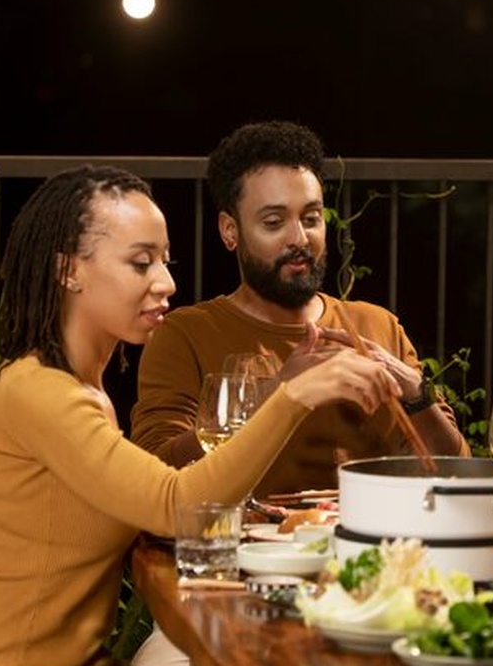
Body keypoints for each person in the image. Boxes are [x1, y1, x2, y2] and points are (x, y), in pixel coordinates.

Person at [0, 166, 400, 666]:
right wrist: (293, 396)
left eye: (164, 260)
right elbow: (178, 506)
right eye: (140, 263)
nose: (167, 282)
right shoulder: (38, 392)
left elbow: (163, 504)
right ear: (69, 271)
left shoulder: (79, 388)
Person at [131, 121, 468, 495]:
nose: (299, 238)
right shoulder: (185, 334)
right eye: (274, 222)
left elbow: (451, 473)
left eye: (311, 219)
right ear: (230, 230)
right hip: (245, 549)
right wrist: (281, 394)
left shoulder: (377, 325)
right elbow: (155, 474)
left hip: (367, 547)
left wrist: (416, 394)